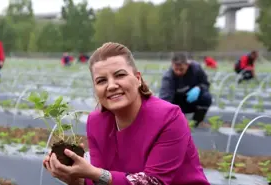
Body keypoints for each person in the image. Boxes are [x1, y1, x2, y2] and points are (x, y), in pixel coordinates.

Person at [43, 43, 210, 185]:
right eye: (101, 81)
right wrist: (76, 178)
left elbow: (153, 181)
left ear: (137, 78)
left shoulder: (169, 118)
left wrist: (93, 173)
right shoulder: (96, 122)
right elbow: (103, 179)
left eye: (120, 75)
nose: (112, 85)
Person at [159, 53, 212, 128]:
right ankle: (177, 121)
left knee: (206, 97)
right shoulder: (168, 77)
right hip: (177, 104)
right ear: (172, 65)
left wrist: (198, 88)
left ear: (187, 65)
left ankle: (196, 122)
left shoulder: (196, 69)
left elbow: (205, 83)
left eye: (181, 69)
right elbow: (165, 99)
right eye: (176, 69)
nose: (178, 72)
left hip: (192, 101)